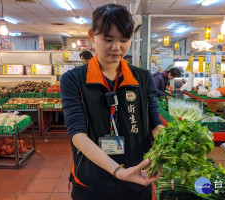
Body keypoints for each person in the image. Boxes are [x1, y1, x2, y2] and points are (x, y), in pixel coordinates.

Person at [61, 3, 164, 200]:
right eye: (108, 39)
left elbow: (154, 123)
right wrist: (118, 171)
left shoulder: (143, 78)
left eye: (124, 40)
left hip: (137, 178)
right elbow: (77, 134)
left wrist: (167, 140)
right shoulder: (73, 79)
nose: (117, 47)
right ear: (92, 36)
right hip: (92, 183)